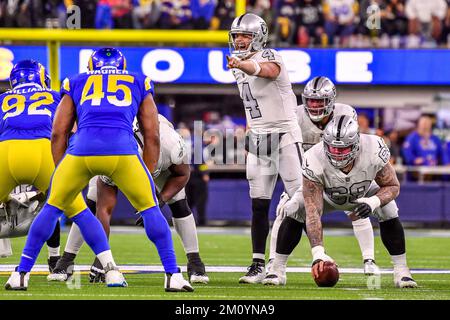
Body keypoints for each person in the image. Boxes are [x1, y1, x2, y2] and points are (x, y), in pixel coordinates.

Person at [5, 48, 193, 292]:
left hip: (81, 151)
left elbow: (58, 132)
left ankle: (21, 274)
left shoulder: (75, 81)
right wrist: (143, 172)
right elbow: (152, 133)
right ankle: (173, 275)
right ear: (121, 66)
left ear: (92, 67)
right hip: (123, 152)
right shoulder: (137, 80)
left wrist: (63, 168)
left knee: (51, 209)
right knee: (151, 210)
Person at [48, 115, 209, 284]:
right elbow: (105, 210)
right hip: (115, 151)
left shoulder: (169, 144)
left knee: (178, 202)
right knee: (92, 201)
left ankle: (195, 262)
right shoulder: (114, 155)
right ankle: (66, 260)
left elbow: (183, 174)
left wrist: (160, 200)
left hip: (158, 152)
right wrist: (102, 258)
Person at [269, 115, 417, 288]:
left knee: (389, 209)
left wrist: (374, 202)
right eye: (332, 147)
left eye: (343, 149)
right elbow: (313, 211)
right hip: (326, 195)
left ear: (355, 144)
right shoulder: (314, 157)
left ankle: (402, 271)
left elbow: (392, 185)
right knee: (296, 206)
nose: (336, 153)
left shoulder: (373, 147)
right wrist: (318, 253)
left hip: (363, 193)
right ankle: (277, 269)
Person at [264, 77, 378, 286]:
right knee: (287, 208)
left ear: (331, 100)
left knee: (358, 207)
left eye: (320, 101)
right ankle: (275, 264)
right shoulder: (295, 116)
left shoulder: (346, 114)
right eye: (311, 100)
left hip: (340, 174)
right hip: (310, 175)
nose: (314, 105)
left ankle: (369, 259)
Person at [226, 13, 303, 284]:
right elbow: (252, 107)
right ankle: (258, 264)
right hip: (259, 139)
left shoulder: (270, 55)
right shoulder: (238, 65)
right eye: (236, 35)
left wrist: (245, 65)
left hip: (284, 135)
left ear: (258, 36)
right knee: (259, 206)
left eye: (245, 35)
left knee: (301, 203)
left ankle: (310, 257)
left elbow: (269, 71)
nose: (239, 40)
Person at [0, 60, 62, 273]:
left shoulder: (3, 99)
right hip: (44, 155)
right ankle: (57, 261)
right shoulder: (54, 97)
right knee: (56, 206)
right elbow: (65, 131)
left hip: (7, 157)